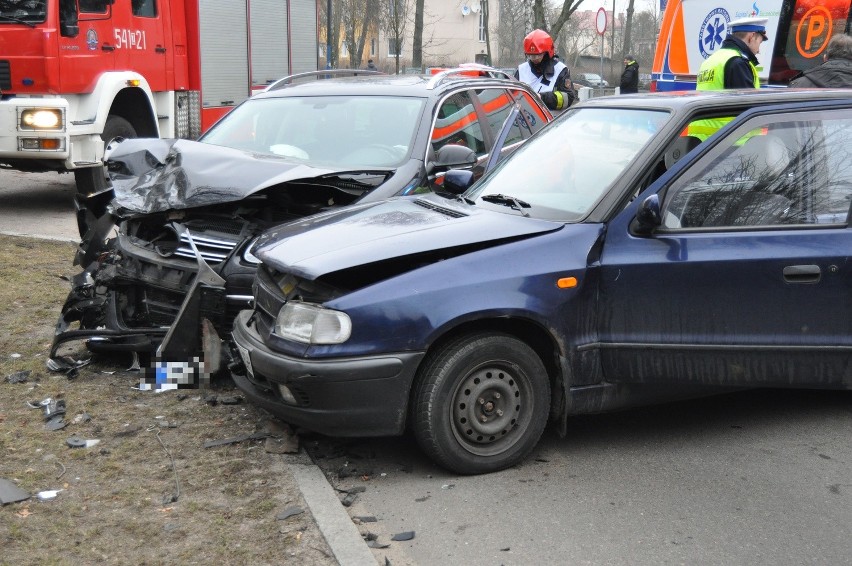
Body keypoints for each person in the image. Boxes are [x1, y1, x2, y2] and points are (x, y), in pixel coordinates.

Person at [696, 16, 768, 90]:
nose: (759, 50)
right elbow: (746, 100)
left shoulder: (709, 60)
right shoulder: (738, 63)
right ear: (751, 37)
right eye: (760, 42)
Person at [515, 29, 575, 111]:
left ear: (547, 53)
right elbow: (512, 95)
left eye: (538, 55)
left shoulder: (560, 70)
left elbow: (568, 97)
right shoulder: (521, 70)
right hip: (525, 119)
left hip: (552, 120)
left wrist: (542, 97)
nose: (534, 59)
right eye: (530, 55)